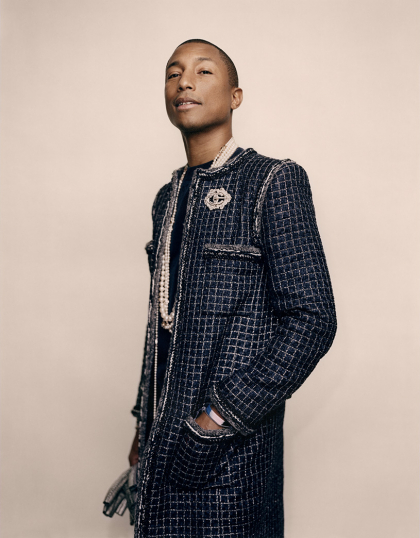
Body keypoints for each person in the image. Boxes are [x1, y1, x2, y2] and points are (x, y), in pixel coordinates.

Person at [128, 38, 337, 538]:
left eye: (203, 72)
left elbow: (313, 319)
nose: (184, 82)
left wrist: (219, 416)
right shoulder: (166, 199)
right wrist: (141, 430)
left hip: (230, 452)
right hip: (161, 444)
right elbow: (161, 324)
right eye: (173, 73)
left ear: (235, 96)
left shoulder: (272, 181)